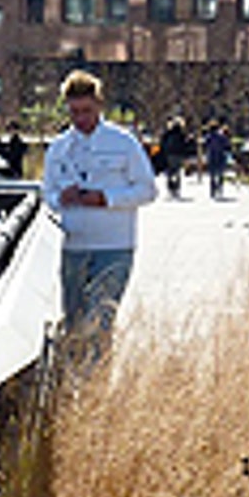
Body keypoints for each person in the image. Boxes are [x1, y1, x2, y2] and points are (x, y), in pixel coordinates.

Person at [40, 70, 159, 337]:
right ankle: (75, 364)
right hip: (73, 246)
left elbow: (148, 190)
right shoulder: (58, 149)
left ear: (99, 105)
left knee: (100, 321)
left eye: (87, 111)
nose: (81, 119)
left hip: (114, 245)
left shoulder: (124, 143)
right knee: (74, 323)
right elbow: (47, 195)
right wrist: (61, 198)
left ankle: (98, 364)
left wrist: (107, 198)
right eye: (74, 112)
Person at [159, 117, 193, 198]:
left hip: (170, 154)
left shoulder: (168, 133)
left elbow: (162, 143)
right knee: (177, 172)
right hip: (179, 154)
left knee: (170, 172)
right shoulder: (181, 134)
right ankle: (177, 188)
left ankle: (170, 188)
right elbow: (185, 144)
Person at [203, 121, 233, 200]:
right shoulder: (222, 136)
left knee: (212, 175)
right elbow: (227, 145)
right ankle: (220, 187)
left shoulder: (208, 136)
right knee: (220, 173)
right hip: (221, 156)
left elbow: (205, 145)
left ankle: (213, 189)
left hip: (211, 156)